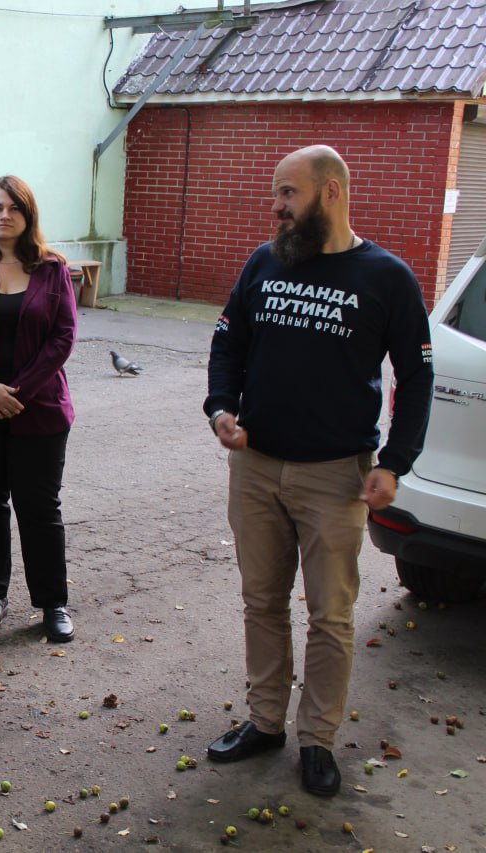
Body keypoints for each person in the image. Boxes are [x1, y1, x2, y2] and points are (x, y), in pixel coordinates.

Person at [203, 145, 433, 796]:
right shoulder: (265, 261)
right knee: (262, 600)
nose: (276, 206)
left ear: (330, 193)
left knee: (331, 615)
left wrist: (395, 463)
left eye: (288, 193)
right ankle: (266, 721)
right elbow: (229, 343)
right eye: (276, 193)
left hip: (336, 474)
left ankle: (318, 740)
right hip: (256, 467)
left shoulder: (386, 276)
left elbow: (415, 376)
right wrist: (221, 408)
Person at [0, 176, 78, 643]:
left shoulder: (51, 268)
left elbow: (63, 337)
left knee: (40, 508)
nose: (4, 215)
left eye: (14, 208)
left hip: (39, 410)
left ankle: (52, 603)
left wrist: (15, 392)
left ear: (28, 216)